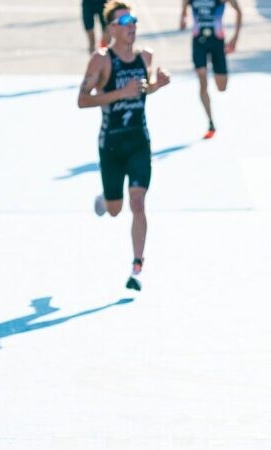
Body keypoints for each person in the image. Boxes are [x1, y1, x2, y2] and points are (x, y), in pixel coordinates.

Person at [77, 0, 171, 290]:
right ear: (112, 28)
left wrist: (157, 85)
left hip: (139, 141)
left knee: (138, 203)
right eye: (125, 21)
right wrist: (121, 93)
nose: (132, 26)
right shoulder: (101, 60)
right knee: (116, 209)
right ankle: (106, 199)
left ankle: (137, 264)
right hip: (111, 145)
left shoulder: (146, 56)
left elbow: (145, 87)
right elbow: (82, 100)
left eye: (134, 20)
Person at [180, 0, 242, 139]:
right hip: (199, 42)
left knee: (221, 87)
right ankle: (210, 122)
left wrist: (235, 38)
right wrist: (182, 18)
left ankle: (217, 71)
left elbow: (238, 10)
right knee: (203, 80)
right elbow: (184, 7)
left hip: (217, 42)